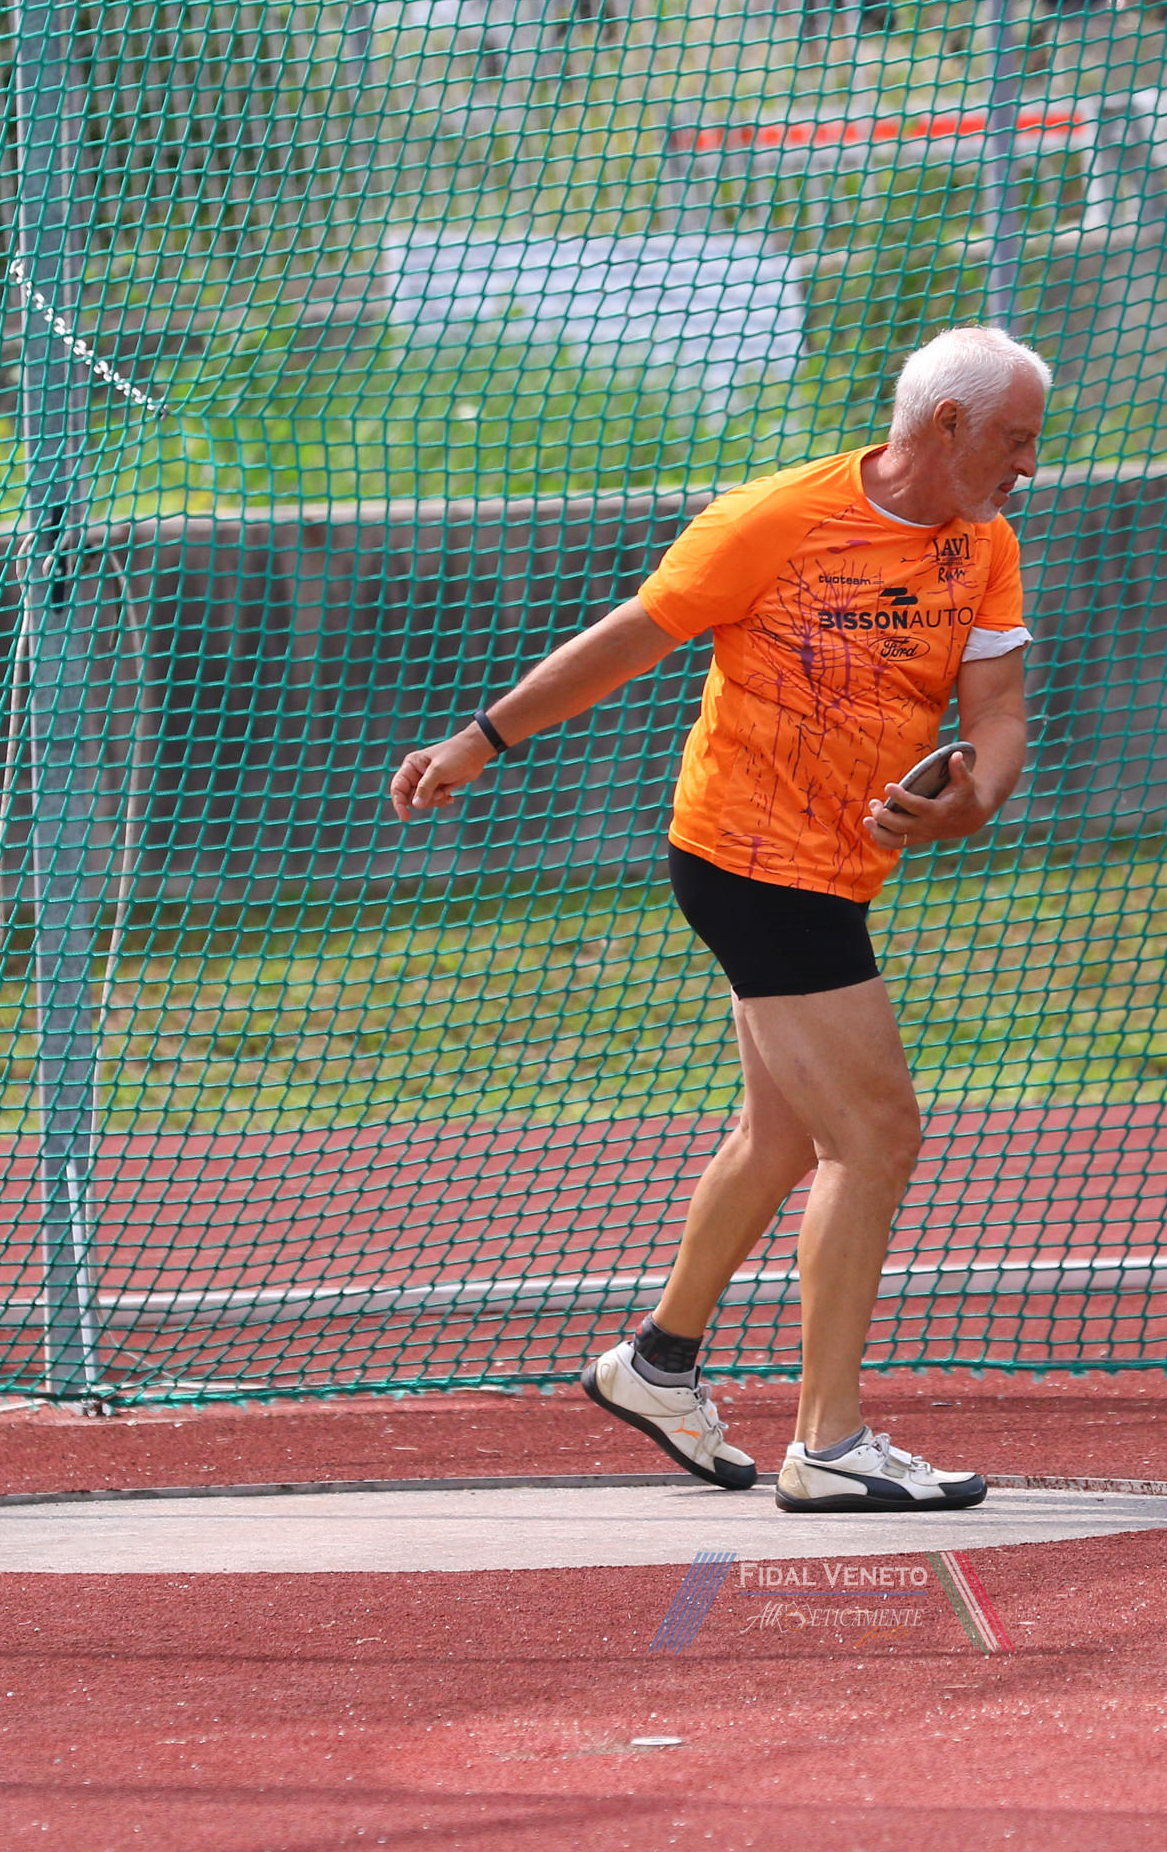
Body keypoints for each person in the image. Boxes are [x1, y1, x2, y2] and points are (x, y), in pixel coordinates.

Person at [389, 325, 1046, 1511]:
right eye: (1014, 438)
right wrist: (482, 740)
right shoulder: (774, 520)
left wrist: (974, 799)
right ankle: (830, 1442)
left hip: (837, 866)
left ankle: (656, 1362)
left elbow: (996, 710)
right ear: (945, 424)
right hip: (752, 861)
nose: (1029, 464)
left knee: (786, 1138)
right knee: (877, 1135)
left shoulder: (982, 541)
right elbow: (631, 638)